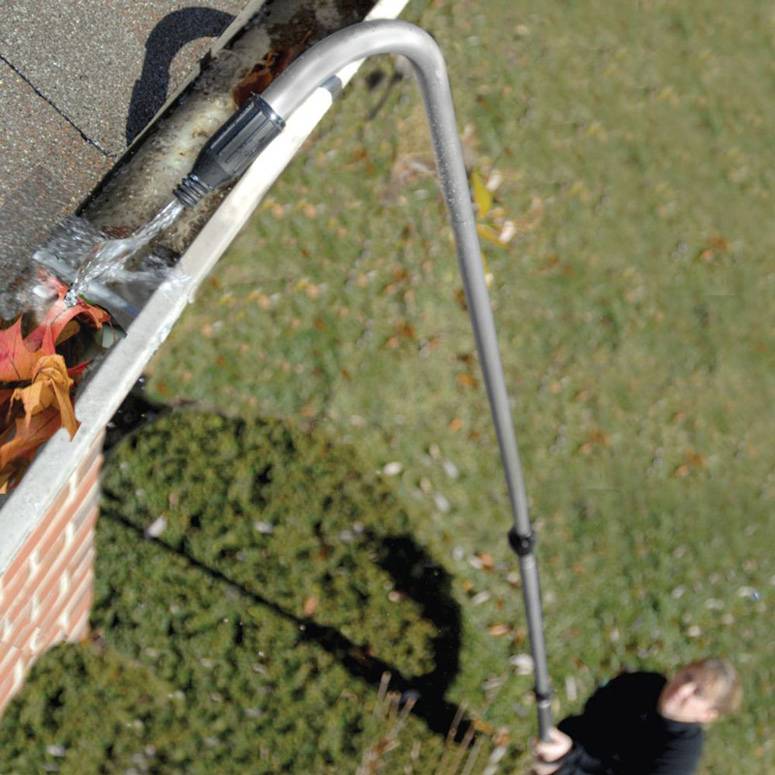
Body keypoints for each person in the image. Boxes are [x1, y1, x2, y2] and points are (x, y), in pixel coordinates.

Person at [532, 658, 741, 775]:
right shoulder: (642, 683)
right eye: (688, 677)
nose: (683, 689)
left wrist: (569, 760)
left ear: (707, 715)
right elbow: (590, 716)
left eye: (699, 693)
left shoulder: (678, 758)